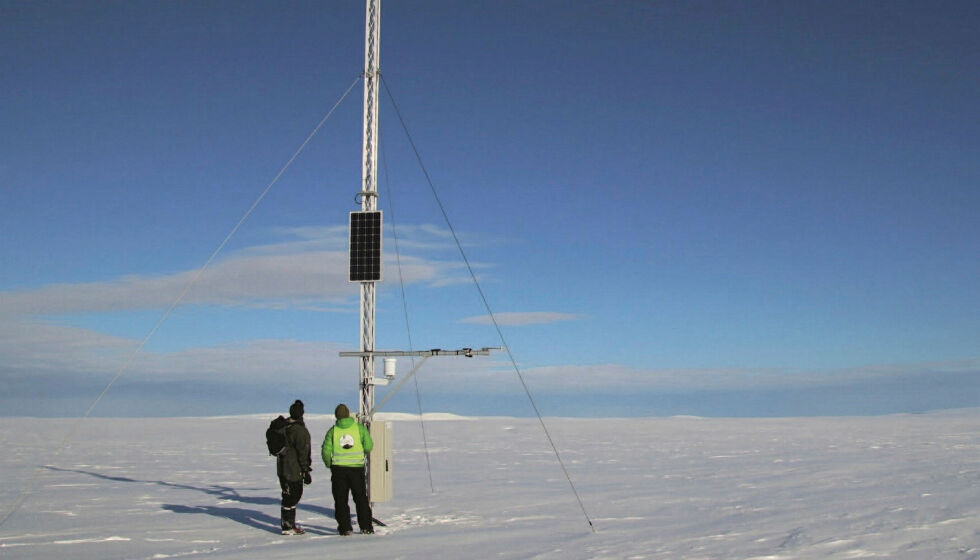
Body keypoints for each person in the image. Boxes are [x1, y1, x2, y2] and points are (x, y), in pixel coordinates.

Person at [322, 403, 374, 535]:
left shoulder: (333, 431)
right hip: (356, 469)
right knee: (361, 498)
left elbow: (326, 451)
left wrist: (329, 464)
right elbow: (368, 446)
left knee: (340, 500)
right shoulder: (359, 429)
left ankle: (345, 528)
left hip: (338, 470)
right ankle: (366, 527)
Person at [278, 399, 312, 535]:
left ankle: (287, 524)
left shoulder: (284, 427)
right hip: (293, 469)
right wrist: (306, 470)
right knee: (294, 495)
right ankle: (288, 525)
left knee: (288, 495)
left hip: (282, 468)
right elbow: (303, 452)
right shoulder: (299, 430)